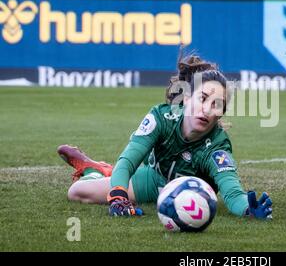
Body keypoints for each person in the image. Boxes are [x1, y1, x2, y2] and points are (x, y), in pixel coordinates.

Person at [58, 52, 273, 220]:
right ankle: (99, 171)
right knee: (76, 192)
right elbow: (130, 159)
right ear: (187, 97)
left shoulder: (216, 147)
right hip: (153, 181)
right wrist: (118, 195)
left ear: (221, 114)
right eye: (203, 98)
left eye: (217, 105)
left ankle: (107, 172)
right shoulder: (162, 118)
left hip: (190, 195)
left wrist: (248, 209)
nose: (207, 109)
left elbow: (233, 193)